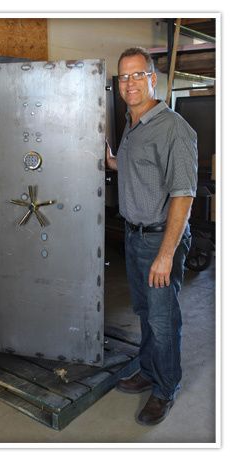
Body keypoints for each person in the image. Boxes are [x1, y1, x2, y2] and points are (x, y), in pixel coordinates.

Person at [106, 47, 198, 426]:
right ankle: (148, 369)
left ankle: (165, 388)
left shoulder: (173, 127)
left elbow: (183, 193)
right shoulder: (133, 122)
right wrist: (107, 158)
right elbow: (129, 165)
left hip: (159, 240)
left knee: (163, 320)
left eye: (136, 75)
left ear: (151, 79)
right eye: (123, 77)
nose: (129, 83)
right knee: (145, 313)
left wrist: (165, 253)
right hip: (133, 236)